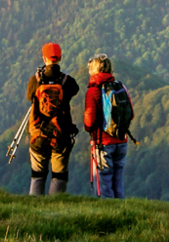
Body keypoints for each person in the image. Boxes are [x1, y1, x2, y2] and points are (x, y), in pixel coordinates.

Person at [25, 42, 79, 195]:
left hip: (38, 134)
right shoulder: (67, 82)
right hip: (60, 135)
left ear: (44, 58)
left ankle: (33, 209)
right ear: (60, 58)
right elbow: (75, 89)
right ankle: (55, 206)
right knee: (59, 176)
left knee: (37, 175)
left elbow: (29, 96)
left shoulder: (35, 81)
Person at [83, 52, 132, 198]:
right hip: (122, 140)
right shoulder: (120, 87)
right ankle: (121, 211)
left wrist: (88, 129)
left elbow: (89, 121)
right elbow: (131, 114)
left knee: (104, 182)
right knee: (118, 181)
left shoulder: (93, 91)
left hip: (102, 142)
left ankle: (108, 212)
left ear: (93, 70)